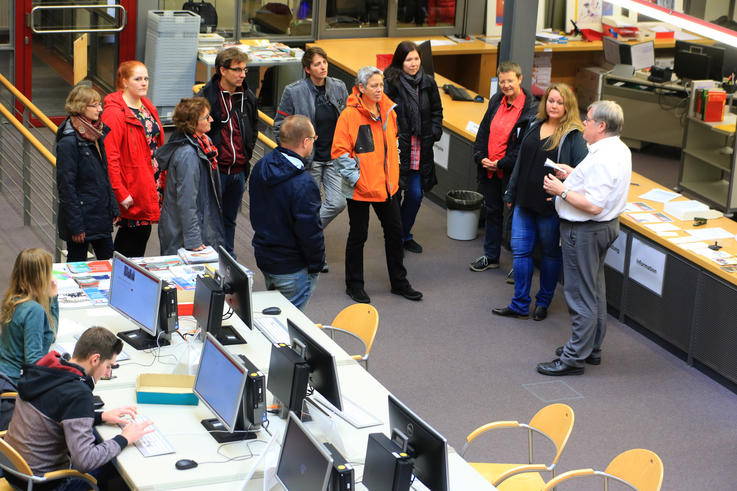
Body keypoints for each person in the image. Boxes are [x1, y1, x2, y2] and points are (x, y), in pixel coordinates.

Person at [537, 100, 631, 376]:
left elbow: (594, 205)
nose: (584, 124)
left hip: (586, 231)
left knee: (580, 294)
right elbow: (596, 187)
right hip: (602, 229)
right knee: (595, 292)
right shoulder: (616, 149)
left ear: (601, 126)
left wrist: (561, 190)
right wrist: (573, 175)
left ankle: (573, 357)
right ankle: (591, 348)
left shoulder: (604, 157)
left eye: (588, 120)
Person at [4, 326, 153, 482]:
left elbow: (56, 413)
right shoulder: (78, 394)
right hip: (43, 482)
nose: (108, 374)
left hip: (13, 468)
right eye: (108, 366)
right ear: (95, 359)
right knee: (116, 469)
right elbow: (85, 461)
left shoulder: (46, 368)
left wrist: (100, 416)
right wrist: (124, 438)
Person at [493, 83, 588, 321]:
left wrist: (563, 190)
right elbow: (521, 163)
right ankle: (520, 304)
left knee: (549, 255)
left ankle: (543, 302)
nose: (554, 105)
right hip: (524, 201)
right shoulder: (535, 125)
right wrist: (511, 193)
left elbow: (584, 173)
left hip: (551, 205)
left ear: (568, 106)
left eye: (559, 102)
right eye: (551, 100)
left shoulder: (574, 135)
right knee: (520, 252)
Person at [333, 66, 422, 304]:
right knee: (358, 236)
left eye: (381, 85)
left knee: (395, 232)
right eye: (374, 86)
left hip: (386, 188)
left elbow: (393, 145)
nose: (379, 89)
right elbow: (340, 152)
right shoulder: (349, 116)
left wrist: (394, 177)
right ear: (361, 88)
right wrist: (357, 180)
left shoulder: (388, 111)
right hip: (360, 190)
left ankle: (399, 283)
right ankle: (354, 285)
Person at [274, 47, 348, 272]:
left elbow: (348, 121)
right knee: (310, 208)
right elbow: (279, 126)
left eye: (324, 62)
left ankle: (300, 238)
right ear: (307, 69)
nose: (323, 67)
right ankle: (313, 253)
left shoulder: (339, 87)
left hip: (334, 157)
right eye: (317, 64)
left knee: (337, 202)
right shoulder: (293, 91)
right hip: (309, 160)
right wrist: (296, 148)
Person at [249, 115, 325, 311]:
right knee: (288, 327)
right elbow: (310, 232)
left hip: (266, 258)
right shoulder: (304, 183)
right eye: (313, 139)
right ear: (305, 141)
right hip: (293, 267)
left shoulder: (261, 166)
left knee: (274, 319)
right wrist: (316, 264)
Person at [469, 61, 537, 272]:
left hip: (512, 173)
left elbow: (525, 148)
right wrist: (480, 156)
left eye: (510, 81)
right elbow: (483, 132)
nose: (506, 85)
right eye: (502, 81)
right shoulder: (497, 100)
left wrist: (500, 163)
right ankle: (491, 256)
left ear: (520, 79)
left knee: (517, 219)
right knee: (493, 212)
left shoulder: (530, 110)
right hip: (490, 170)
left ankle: (519, 264)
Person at [197, 47, 258, 256]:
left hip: (239, 171)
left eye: (244, 70)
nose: (242, 74)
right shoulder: (205, 98)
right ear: (222, 70)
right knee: (209, 220)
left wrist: (246, 156)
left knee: (230, 220)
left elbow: (253, 128)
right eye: (237, 69)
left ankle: (228, 260)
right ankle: (210, 263)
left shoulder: (248, 97)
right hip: (215, 171)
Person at [383, 40, 443, 254]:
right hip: (398, 149)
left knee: (416, 195)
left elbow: (437, 111)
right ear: (400, 61)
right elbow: (385, 114)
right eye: (409, 59)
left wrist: (435, 131)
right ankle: (396, 236)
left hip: (420, 148)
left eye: (416, 58)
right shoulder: (390, 83)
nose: (413, 63)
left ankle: (402, 235)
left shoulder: (428, 83)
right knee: (394, 195)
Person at [102, 60, 164, 258]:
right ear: (124, 82)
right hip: (132, 185)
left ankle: (129, 280)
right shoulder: (114, 113)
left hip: (150, 180)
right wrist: (120, 192)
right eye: (138, 79)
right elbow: (110, 157)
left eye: (146, 78)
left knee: (141, 233)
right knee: (132, 239)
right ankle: (124, 282)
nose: (144, 83)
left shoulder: (147, 105)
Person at [56, 85, 119, 263]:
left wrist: (113, 206)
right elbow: (66, 187)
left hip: (99, 214)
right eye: (95, 105)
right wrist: (76, 226)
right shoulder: (68, 142)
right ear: (81, 107)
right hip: (82, 220)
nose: (100, 109)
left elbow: (103, 175)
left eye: (100, 104)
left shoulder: (95, 133)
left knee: (110, 266)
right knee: (77, 269)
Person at [156, 97, 225, 255]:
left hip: (192, 229)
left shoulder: (203, 142)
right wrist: (194, 239)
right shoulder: (188, 154)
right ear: (193, 123)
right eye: (206, 117)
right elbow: (187, 200)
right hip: (183, 237)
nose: (212, 120)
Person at [0, 248, 58, 384]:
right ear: (41, 277)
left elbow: (49, 332)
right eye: (49, 272)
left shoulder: (13, 298)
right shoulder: (34, 310)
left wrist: (51, 298)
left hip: (5, 372)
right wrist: (53, 300)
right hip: (16, 381)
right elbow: (34, 361)